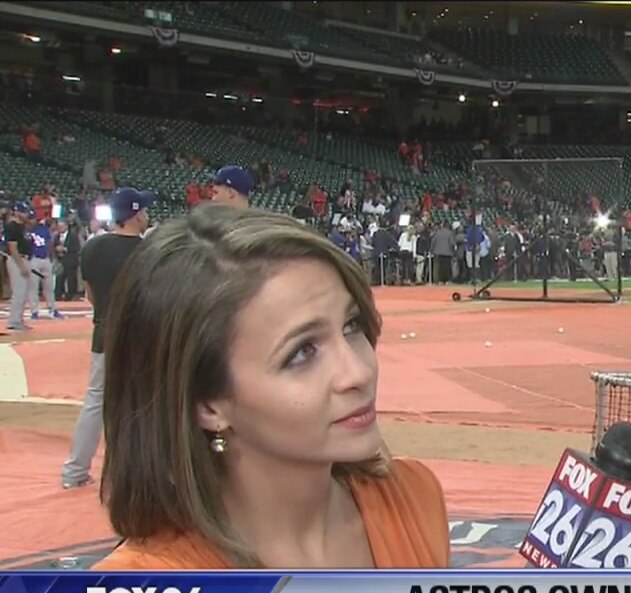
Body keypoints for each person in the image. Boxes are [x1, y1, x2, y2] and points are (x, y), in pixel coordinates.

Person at [92, 203, 449, 569]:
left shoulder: (415, 499)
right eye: (301, 352)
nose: (358, 372)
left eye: (351, 326)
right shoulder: (140, 588)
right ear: (208, 405)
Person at [61, 187, 153, 489]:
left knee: (95, 401)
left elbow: (90, 294)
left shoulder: (93, 246)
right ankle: (133, 476)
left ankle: (75, 470)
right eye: (143, 211)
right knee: (140, 404)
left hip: (104, 330)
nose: (146, 215)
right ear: (135, 214)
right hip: (139, 335)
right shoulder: (148, 251)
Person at [4, 201, 33, 333]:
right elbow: (13, 248)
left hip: (24, 258)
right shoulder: (13, 226)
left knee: (24, 292)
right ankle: (14, 321)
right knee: (19, 292)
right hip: (17, 259)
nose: (26, 215)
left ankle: (18, 320)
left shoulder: (21, 226)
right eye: (23, 212)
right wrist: (21, 266)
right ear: (16, 212)